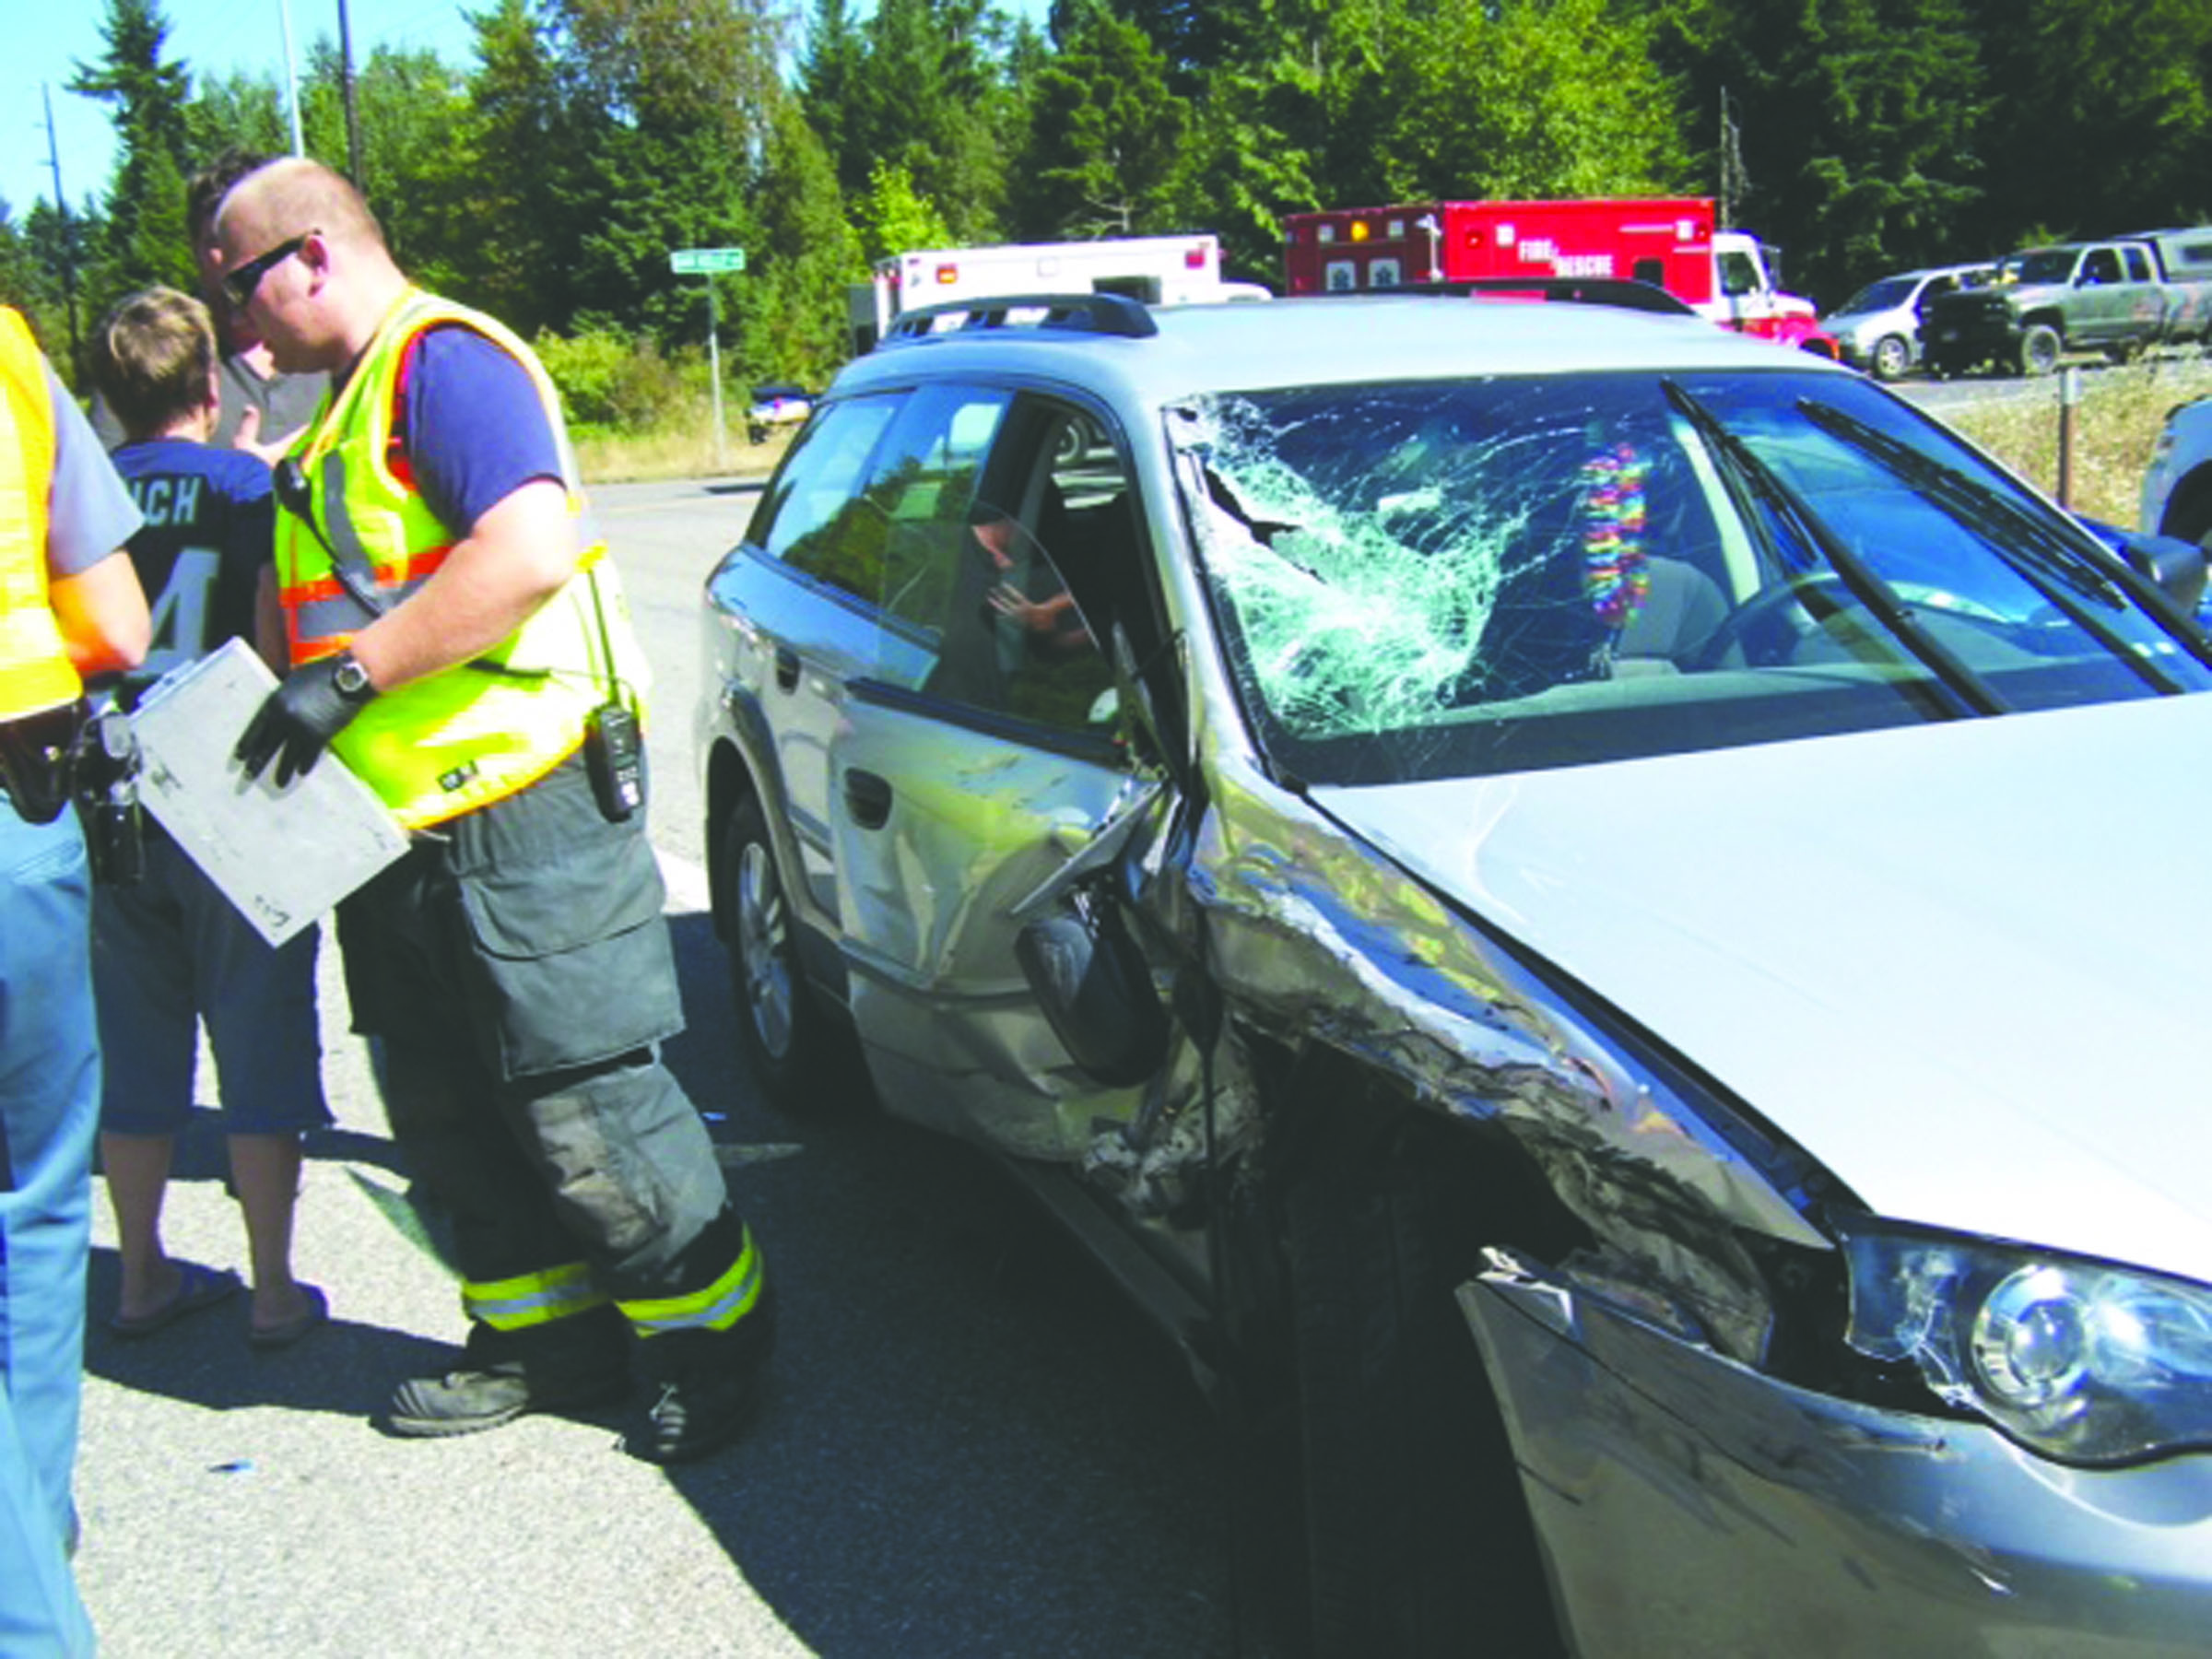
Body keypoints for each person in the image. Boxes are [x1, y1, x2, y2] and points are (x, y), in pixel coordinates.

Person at [213, 157, 774, 1464]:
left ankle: (711, 1347)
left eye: (242, 289)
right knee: (450, 1107)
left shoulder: (440, 367)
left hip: (521, 813)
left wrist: (344, 680)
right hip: (393, 830)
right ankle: (542, 1342)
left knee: (587, 1108)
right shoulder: (337, 402)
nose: (240, 328)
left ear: (309, 252)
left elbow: (521, 552)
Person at [85, 286, 332, 1351]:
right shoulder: (249, 489)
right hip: (230, 785)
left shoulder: (78, 498)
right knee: (258, 1041)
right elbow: (277, 636)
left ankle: (140, 1274)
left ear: (104, 395)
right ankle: (274, 1287)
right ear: (203, 383)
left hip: (109, 793)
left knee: (134, 1058)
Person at [0, 302, 150, 1653]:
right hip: (19, 820)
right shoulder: (6, 348)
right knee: (38, 1208)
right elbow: (113, 619)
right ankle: (34, 1543)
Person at [90, 147, 328, 460]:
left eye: (253, 237)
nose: (236, 257)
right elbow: (112, 487)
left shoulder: (329, 348)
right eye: (218, 242)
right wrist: (239, 478)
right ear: (195, 249)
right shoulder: (155, 355)